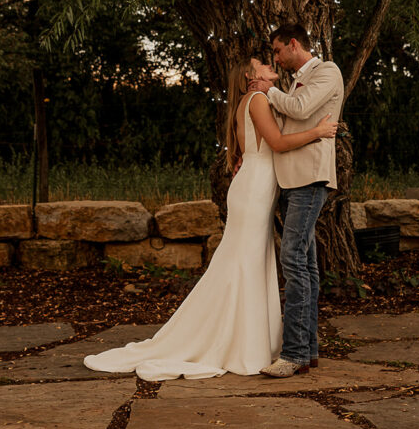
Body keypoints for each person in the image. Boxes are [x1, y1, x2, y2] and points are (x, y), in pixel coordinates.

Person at [83, 56, 337, 381]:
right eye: (260, 63)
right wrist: (318, 132)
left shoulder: (255, 99)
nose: (267, 63)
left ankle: (250, 338)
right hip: (256, 189)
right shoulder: (257, 99)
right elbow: (277, 143)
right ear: (250, 75)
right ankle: (239, 341)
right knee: (244, 262)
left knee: (248, 261)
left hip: (256, 186)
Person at [253, 23, 344, 378]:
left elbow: (302, 108)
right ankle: (307, 351)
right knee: (305, 262)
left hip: (310, 177)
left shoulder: (327, 71)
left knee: (292, 258)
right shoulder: (291, 82)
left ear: (293, 44)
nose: (275, 58)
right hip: (293, 179)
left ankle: (292, 353)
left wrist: (269, 90)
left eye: (277, 51)